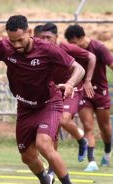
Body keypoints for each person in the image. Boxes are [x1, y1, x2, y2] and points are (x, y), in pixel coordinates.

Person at [0, 15, 84, 184]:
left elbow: (78, 68)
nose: (16, 45)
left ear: (30, 33)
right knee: (27, 157)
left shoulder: (46, 49)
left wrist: (71, 84)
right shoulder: (4, 47)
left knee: (43, 144)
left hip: (49, 103)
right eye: (12, 41)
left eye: (20, 40)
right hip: (24, 107)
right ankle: (45, 181)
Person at [64, 24, 113, 172]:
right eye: (70, 44)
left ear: (82, 38)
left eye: (75, 43)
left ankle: (107, 152)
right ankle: (92, 161)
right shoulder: (72, 51)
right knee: (88, 126)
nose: (73, 46)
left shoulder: (98, 48)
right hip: (83, 93)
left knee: (105, 128)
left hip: (100, 93)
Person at [40, 22, 96, 169]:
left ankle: (81, 139)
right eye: (42, 37)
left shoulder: (66, 47)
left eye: (48, 37)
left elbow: (91, 57)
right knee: (54, 130)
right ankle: (52, 167)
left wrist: (88, 80)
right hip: (54, 91)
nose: (45, 40)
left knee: (63, 120)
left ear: (56, 37)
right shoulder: (39, 50)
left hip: (72, 89)